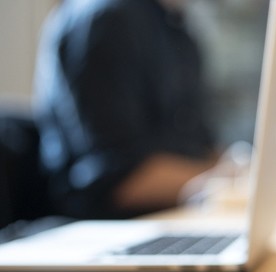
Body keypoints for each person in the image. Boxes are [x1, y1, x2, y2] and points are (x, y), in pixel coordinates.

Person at [32, 0, 217, 220]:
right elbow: (118, 180)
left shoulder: (175, 29)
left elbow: (201, 146)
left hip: (171, 216)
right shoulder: (107, 18)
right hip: (106, 227)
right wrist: (219, 184)